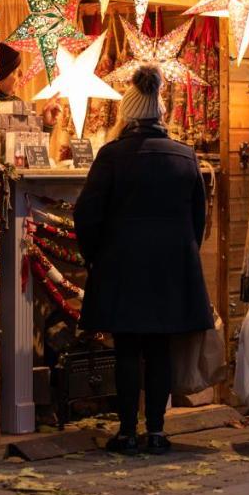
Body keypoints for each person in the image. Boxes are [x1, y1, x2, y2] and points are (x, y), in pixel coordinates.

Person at [74, 65, 213, 456]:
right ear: (160, 112)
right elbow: (197, 219)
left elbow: (87, 213)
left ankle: (126, 431)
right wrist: (184, 252)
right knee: (159, 350)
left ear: (128, 112)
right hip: (171, 267)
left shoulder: (113, 155)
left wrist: (95, 256)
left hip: (122, 263)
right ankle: (156, 430)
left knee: (127, 349)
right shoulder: (185, 156)